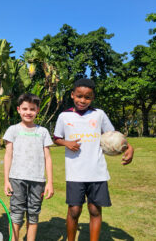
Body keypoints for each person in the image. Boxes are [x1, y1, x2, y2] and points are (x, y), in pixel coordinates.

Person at [53, 78, 134, 241]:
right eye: (79, 96)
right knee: (74, 210)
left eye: (87, 97)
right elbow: (56, 137)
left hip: (97, 172)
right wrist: (66, 142)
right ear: (72, 95)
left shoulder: (99, 115)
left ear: (93, 98)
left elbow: (114, 137)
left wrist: (129, 148)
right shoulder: (64, 116)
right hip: (75, 172)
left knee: (95, 210)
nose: (82, 100)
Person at [3, 93, 54, 241]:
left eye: (32, 109)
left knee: (33, 213)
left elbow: (48, 158)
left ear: (37, 110)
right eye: (25, 108)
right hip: (16, 178)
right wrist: (6, 180)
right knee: (16, 213)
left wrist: (49, 182)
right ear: (18, 109)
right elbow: (8, 156)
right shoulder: (13, 130)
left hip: (38, 180)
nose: (28, 112)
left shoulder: (43, 132)